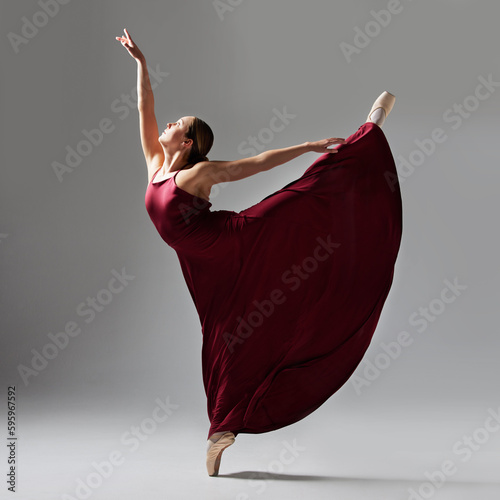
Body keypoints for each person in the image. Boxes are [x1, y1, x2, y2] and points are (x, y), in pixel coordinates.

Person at [116, 28, 402, 477]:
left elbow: (253, 163)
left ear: (188, 142)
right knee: (226, 338)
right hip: (206, 264)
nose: (167, 126)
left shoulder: (196, 175)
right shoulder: (156, 164)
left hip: (236, 240)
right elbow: (144, 106)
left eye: (177, 125)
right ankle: (223, 428)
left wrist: (306, 146)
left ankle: (364, 137)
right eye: (171, 124)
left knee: (304, 200)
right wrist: (141, 64)